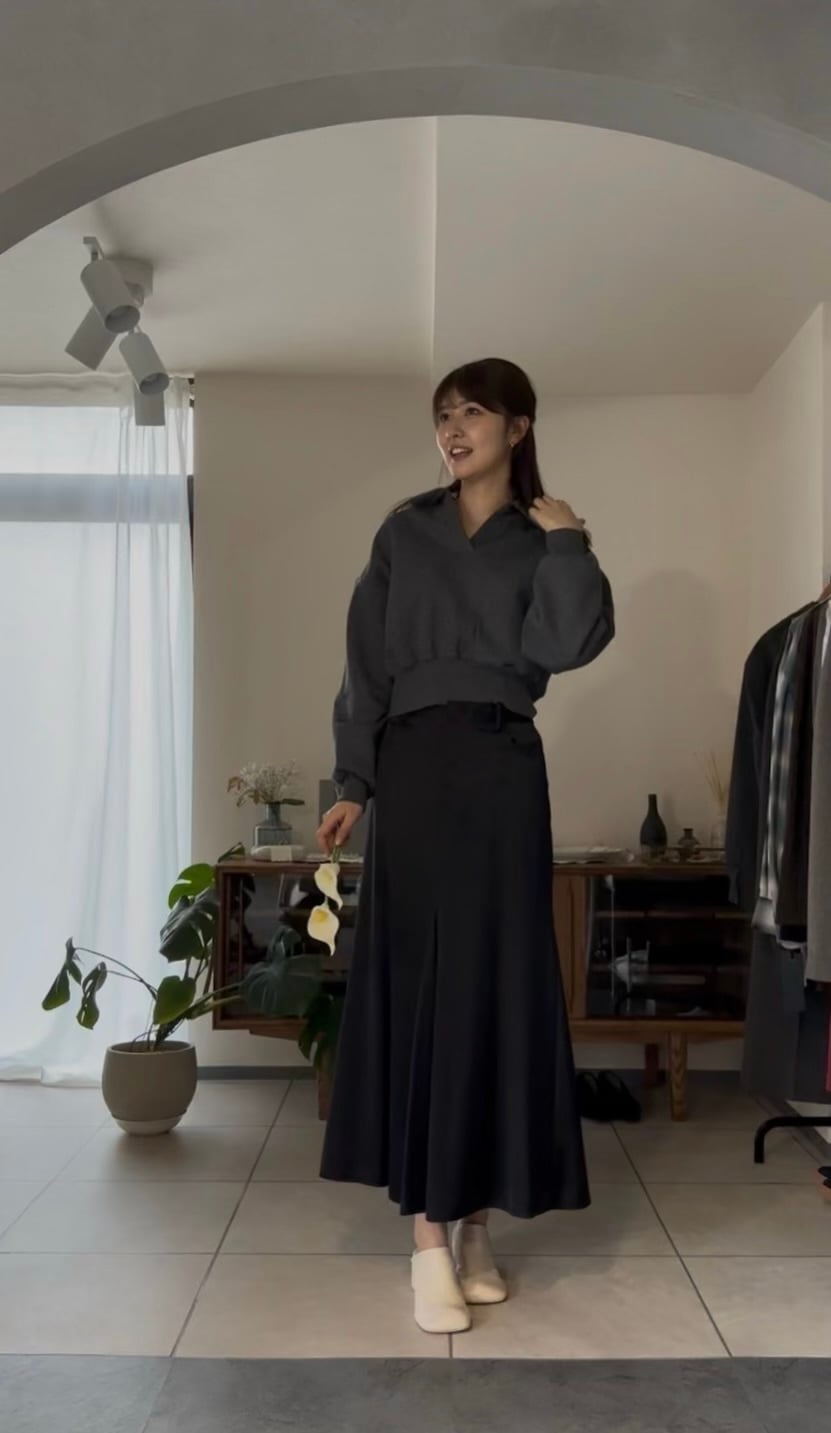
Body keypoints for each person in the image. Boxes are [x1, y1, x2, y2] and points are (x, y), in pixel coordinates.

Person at [316, 357, 614, 1334]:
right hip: (413, 768)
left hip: (503, 767)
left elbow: (568, 643)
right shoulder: (404, 529)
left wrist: (568, 540)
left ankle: (475, 1221)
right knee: (423, 985)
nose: (452, 428)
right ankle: (426, 1240)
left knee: (495, 983)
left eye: (472, 412)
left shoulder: (542, 537)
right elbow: (364, 662)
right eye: (443, 414)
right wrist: (352, 783)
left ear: (517, 427)